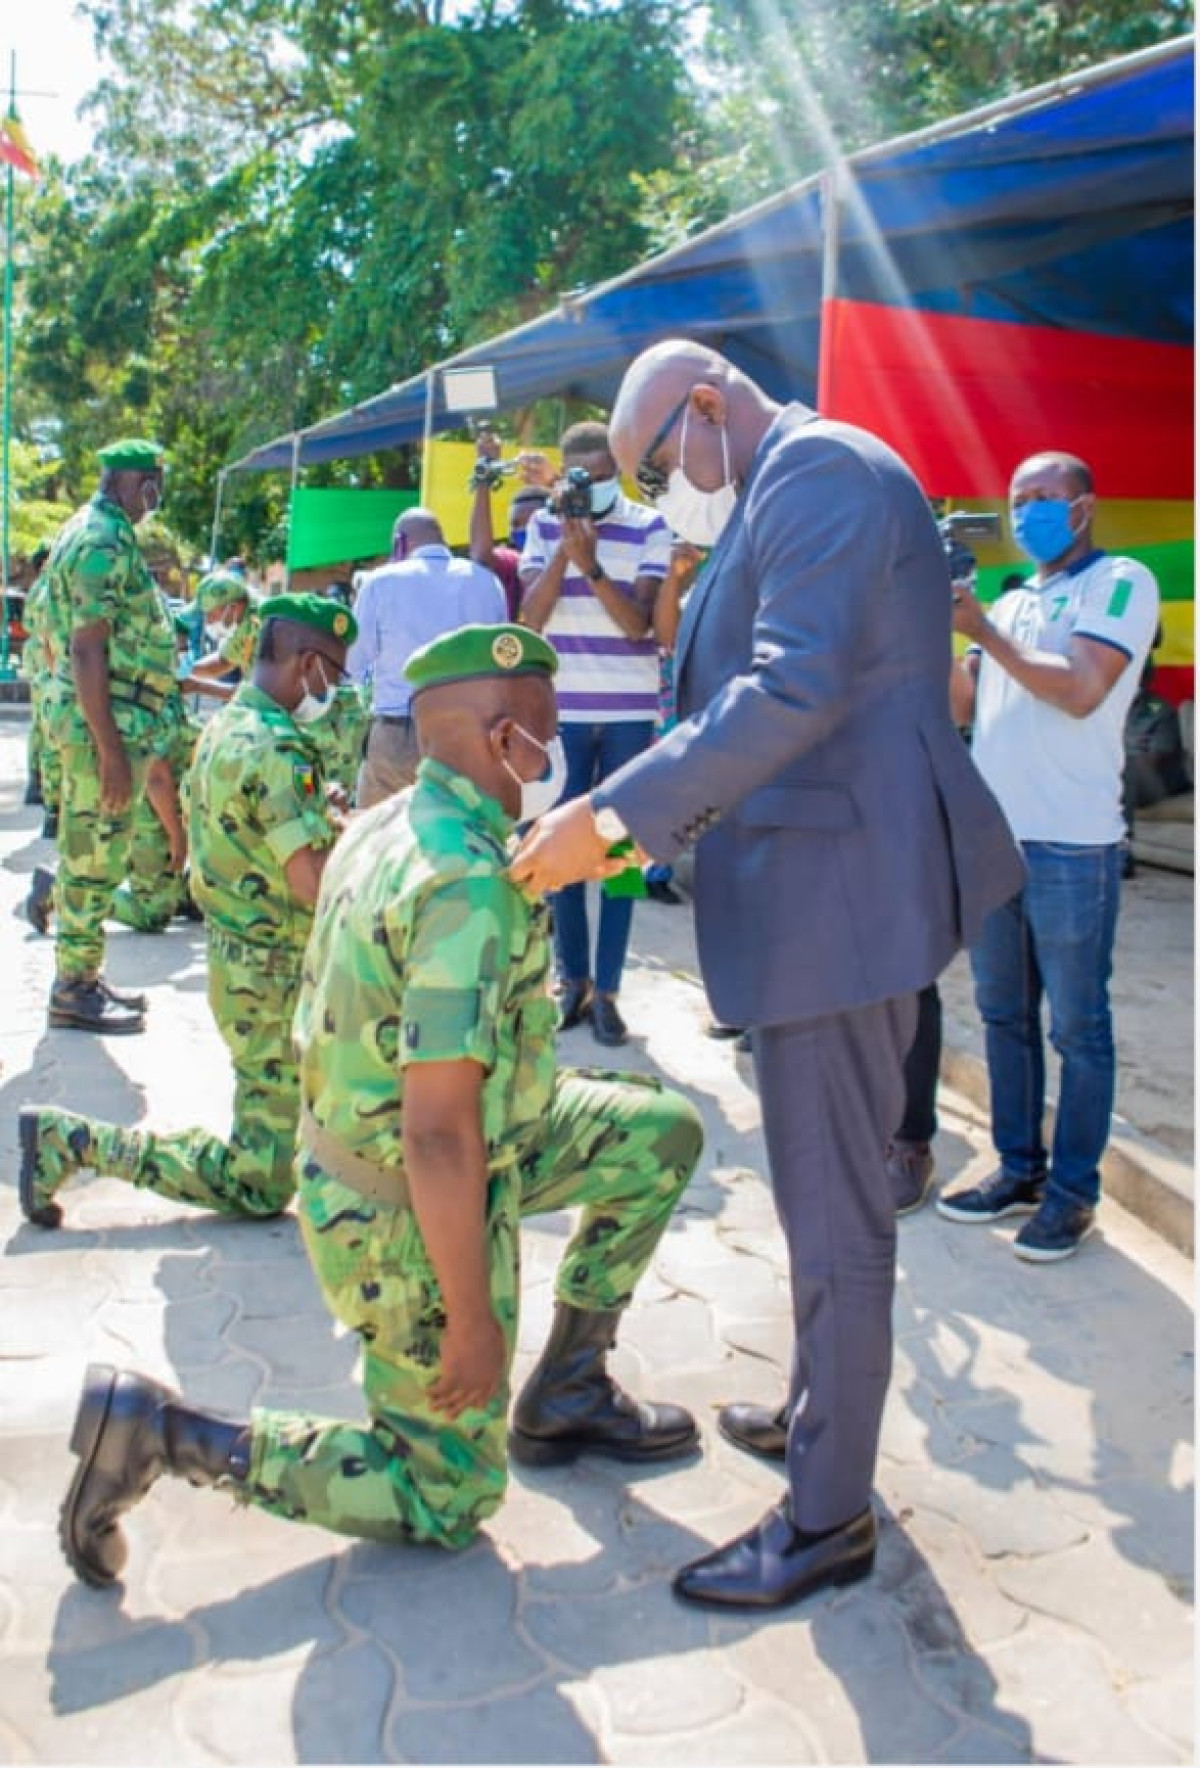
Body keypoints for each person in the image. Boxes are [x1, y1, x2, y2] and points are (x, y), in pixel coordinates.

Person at [509, 340, 1023, 1612]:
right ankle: (816, 1412)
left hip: (838, 903)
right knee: (816, 1198)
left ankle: (828, 1515)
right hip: (817, 896)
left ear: (705, 404)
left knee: (839, 1219)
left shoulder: (820, 472)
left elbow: (790, 686)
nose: (659, 495)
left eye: (656, 466)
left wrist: (612, 819)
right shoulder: (782, 481)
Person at [56, 621, 702, 1590]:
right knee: (447, 1495)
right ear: (503, 742)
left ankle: (569, 1388)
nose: (557, 752)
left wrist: (598, 849)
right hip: (402, 1207)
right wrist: (474, 1320)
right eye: (548, 731)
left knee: (658, 1134)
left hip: (471, 1137)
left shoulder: (390, 822)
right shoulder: (463, 885)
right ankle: (165, 1435)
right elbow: (437, 1133)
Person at [18, 594, 352, 1230]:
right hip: (271, 976)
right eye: (333, 673)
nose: (333, 689)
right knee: (258, 1182)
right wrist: (362, 848)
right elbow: (311, 883)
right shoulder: (280, 749)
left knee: (311, 1103)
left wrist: (324, 818)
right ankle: (76, 1143)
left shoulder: (228, 725)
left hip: (242, 960)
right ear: (309, 663)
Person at [937, 451, 1159, 1262]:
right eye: (1018, 497)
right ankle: (1018, 1169)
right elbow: (960, 705)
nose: (1027, 509)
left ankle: (1072, 1195)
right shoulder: (1010, 598)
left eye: (1044, 497)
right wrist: (938, 626)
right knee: (1004, 1018)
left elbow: (1080, 689)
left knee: (1078, 1029)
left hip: (1073, 843)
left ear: (1083, 507)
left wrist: (982, 631)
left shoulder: (1120, 583)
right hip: (998, 840)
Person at [518, 421, 672, 1045]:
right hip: (566, 713)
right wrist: (564, 549)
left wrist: (593, 567)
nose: (595, 490)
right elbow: (530, 618)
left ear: (619, 473)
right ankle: (572, 981)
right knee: (562, 853)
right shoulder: (542, 525)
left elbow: (638, 625)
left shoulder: (650, 525)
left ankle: (608, 991)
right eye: (585, 479)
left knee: (620, 855)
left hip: (630, 714)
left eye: (605, 477)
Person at [38, 439, 176, 1034]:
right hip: (106, 728)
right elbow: (85, 648)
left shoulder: (90, 530)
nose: (155, 498)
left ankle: (83, 977)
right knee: (93, 857)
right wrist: (110, 750)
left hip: (105, 723)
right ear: (135, 482)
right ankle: (73, 987)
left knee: (93, 854)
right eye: (154, 485)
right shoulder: (102, 540)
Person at [348, 508, 507, 808]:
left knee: (376, 828)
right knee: (456, 827)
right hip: (469, 736)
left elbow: (353, 664)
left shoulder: (380, 582)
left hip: (399, 732)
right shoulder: (487, 582)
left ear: (400, 543)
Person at [468, 431, 553, 620]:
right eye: (516, 524)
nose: (523, 530)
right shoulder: (514, 564)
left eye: (531, 523)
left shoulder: (567, 555)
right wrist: (483, 479)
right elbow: (481, 556)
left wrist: (553, 482)